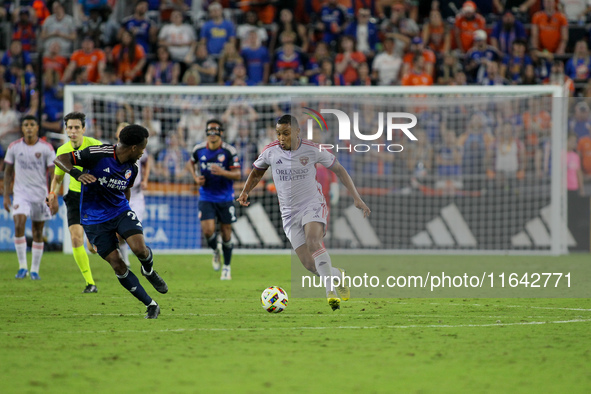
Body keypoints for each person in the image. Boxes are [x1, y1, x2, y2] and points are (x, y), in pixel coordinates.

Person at [237, 115, 371, 311]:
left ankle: (330, 292)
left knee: (313, 241)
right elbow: (257, 172)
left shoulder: (313, 149)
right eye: (279, 134)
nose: (281, 138)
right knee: (310, 265)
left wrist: (356, 197)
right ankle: (336, 275)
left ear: (297, 132)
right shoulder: (270, 151)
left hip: (312, 204)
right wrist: (245, 190)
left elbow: (340, 170)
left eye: (286, 133)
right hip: (289, 214)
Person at [53, 125, 167, 319]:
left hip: (120, 211)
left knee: (140, 249)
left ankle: (148, 270)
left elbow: (126, 189)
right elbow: (60, 159)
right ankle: (151, 304)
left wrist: (125, 212)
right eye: (142, 148)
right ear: (133, 147)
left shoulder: (133, 168)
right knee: (118, 265)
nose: (143, 152)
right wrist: (77, 174)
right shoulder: (97, 153)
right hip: (93, 219)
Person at [46, 112, 101, 293]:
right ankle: (90, 283)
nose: (73, 131)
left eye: (77, 127)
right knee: (75, 237)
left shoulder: (95, 146)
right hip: (75, 197)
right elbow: (58, 178)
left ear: (83, 129)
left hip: (94, 198)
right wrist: (53, 193)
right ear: (66, 129)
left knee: (92, 247)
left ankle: (96, 244)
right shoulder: (62, 151)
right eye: (70, 127)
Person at [3, 115, 55, 280]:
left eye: (32, 124)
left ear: (37, 127)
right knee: (19, 224)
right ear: (22, 128)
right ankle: (22, 267)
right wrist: (6, 195)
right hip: (20, 194)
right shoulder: (14, 147)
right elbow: (8, 172)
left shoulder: (46, 148)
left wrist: (52, 195)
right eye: (26, 125)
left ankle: (34, 270)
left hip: (40, 194)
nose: (29, 127)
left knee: (37, 231)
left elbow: (53, 173)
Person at [187, 120, 241, 280]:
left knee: (226, 234)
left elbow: (238, 175)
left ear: (221, 133)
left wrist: (222, 172)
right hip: (206, 196)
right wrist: (195, 178)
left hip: (225, 197)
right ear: (206, 133)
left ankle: (227, 267)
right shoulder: (198, 149)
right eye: (209, 130)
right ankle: (215, 251)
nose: (212, 133)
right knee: (208, 231)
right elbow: (190, 163)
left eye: (215, 130)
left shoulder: (229, 151)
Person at [115, 122, 151, 267]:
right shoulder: (112, 152)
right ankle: (125, 260)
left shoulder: (139, 148)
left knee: (133, 229)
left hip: (136, 195)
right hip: (119, 195)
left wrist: (146, 179)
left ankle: (143, 259)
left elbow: (147, 162)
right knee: (120, 233)